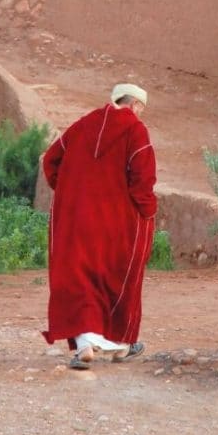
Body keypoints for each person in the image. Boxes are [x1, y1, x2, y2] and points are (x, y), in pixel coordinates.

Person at [42, 82, 157, 369]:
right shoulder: (136, 130)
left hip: (76, 219)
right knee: (114, 276)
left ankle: (86, 345)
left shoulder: (83, 125)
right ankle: (121, 342)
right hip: (116, 222)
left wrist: (70, 193)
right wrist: (147, 211)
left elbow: (51, 160)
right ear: (136, 105)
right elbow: (142, 179)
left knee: (80, 277)